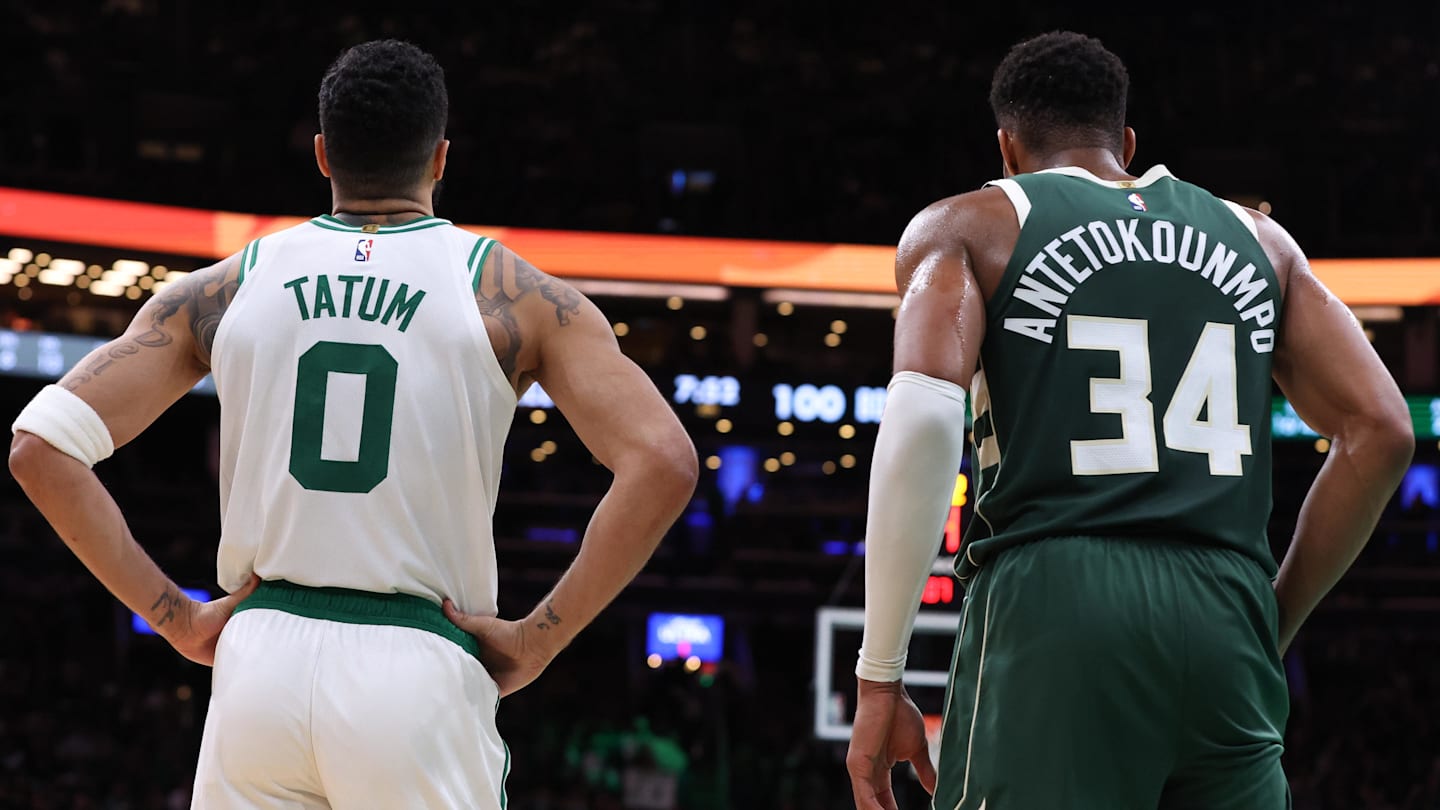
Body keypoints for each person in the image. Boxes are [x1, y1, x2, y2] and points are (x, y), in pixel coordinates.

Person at [9, 40, 697, 808]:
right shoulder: (514, 294)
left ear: (321, 155)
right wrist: (540, 639)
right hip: (415, 669)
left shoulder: (227, 285)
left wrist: (176, 618)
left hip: (257, 669)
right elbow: (663, 461)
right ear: (440, 158)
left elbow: (40, 449)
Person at [846, 31, 1414, 810]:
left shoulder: (969, 225)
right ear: (1128, 142)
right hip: (1227, 607)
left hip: (1057, 598)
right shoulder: (1263, 242)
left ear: (1007, 149)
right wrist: (1266, 620)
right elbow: (1382, 431)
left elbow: (921, 418)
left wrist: (880, 676)